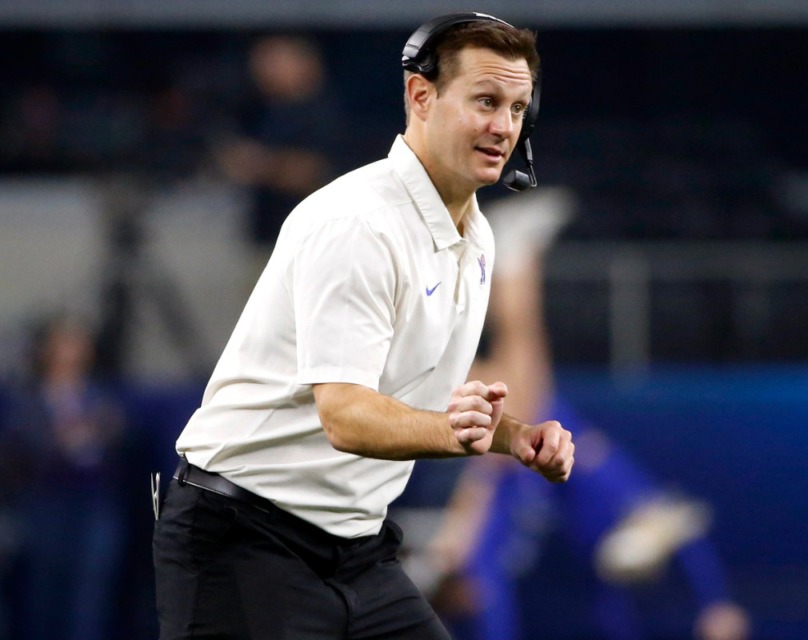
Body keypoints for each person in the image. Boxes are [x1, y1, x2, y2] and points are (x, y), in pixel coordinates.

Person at [153, 13, 575, 640]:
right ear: (420, 96)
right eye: (485, 101)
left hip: (355, 546)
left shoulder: (477, 235)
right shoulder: (359, 223)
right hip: (243, 540)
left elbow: (420, 408)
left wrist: (513, 437)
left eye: (517, 108)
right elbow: (347, 416)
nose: (503, 127)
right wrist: (458, 436)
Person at [409, 188, 750, 640]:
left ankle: (504, 257)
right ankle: (508, 256)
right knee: (521, 358)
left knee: (518, 359)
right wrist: (715, 605)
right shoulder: (479, 572)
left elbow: (473, 523)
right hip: (521, 457)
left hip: (500, 461)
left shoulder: (470, 566)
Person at [0, 313, 133, 640]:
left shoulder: (101, 397)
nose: (72, 352)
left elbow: (119, 439)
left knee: (90, 592)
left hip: (95, 505)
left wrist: (98, 431)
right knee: (44, 591)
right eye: (64, 344)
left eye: (78, 343)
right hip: (47, 504)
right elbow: (22, 447)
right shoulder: (29, 399)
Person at [213, 34, 345, 250]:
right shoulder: (259, 110)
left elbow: (317, 172)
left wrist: (260, 164)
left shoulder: (324, 113)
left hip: (318, 243)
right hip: (267, 238)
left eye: (274, 59)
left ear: (306, 63)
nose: (262, 67)